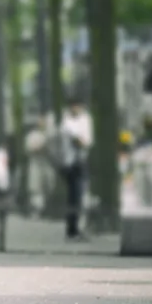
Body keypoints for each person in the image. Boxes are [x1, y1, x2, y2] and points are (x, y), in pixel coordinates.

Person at [59, 98, 93, 241]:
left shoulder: (84, 119)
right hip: (72, 164)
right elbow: (80, 141)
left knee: (78, 197)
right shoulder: (67, 122)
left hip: (80, 162)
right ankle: (72, 229)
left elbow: (86, 141)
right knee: (75, 197)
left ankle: (75, 229)